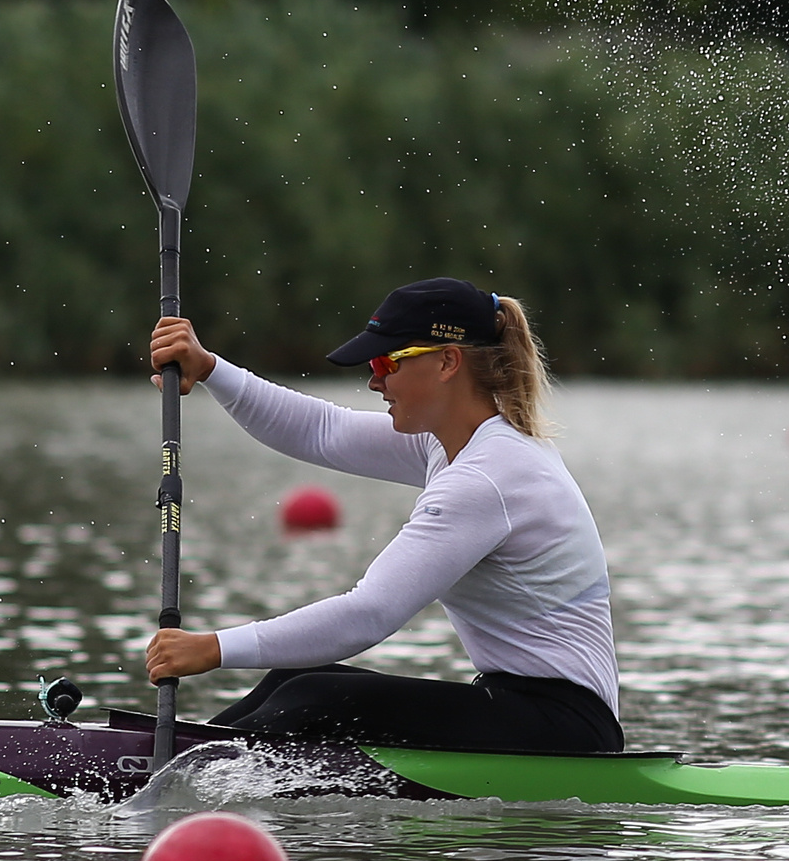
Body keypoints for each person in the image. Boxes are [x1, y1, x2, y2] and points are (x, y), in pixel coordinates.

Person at [142, 277, 622, 754]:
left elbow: (368, 614)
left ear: (447, 362)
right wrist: (209, 369)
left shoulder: (487, 478)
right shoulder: (453, 443)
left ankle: (165, 768)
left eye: (386, 362)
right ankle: (177, 757)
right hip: (517, 703)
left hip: (566, 727)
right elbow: (320, 430)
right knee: (297, 676)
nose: (374, 381)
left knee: (315, 696)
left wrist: (213, 648)